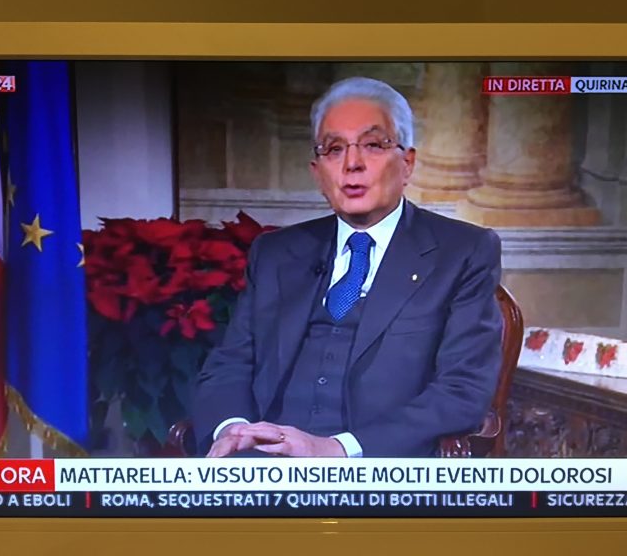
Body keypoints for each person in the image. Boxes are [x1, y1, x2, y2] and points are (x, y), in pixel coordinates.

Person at [193, 76, 502, 458]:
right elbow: (230, 364)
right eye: (334, 149)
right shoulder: (275, 254)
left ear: (407, 163)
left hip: (378, 471)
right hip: (265, 468)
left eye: (373, 145)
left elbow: (462, 391)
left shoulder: (461, 252)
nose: (352, 164)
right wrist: (234, 430)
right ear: (317, 171)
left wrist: (336, 449)